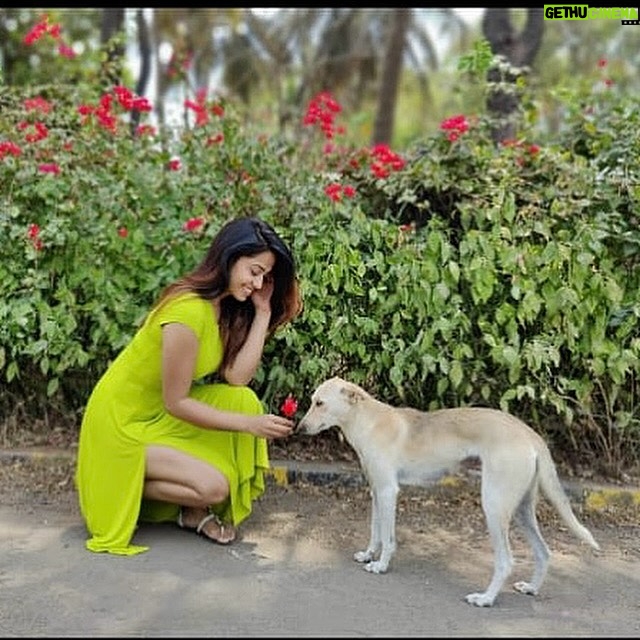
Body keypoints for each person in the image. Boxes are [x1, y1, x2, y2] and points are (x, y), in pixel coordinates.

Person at [75, 216, 302, 555]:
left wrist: (264, 312)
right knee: (213, 487)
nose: (258, 283)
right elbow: (176, 402)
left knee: (242, 399)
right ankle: (111, 479)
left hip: (154, 415)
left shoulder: (220, 307)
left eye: (265, 277)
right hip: (121, 423)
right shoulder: (187, 313)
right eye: (254, 271)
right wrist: (248, 426)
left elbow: (237, 378)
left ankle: (161, 499)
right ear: (229, 257)